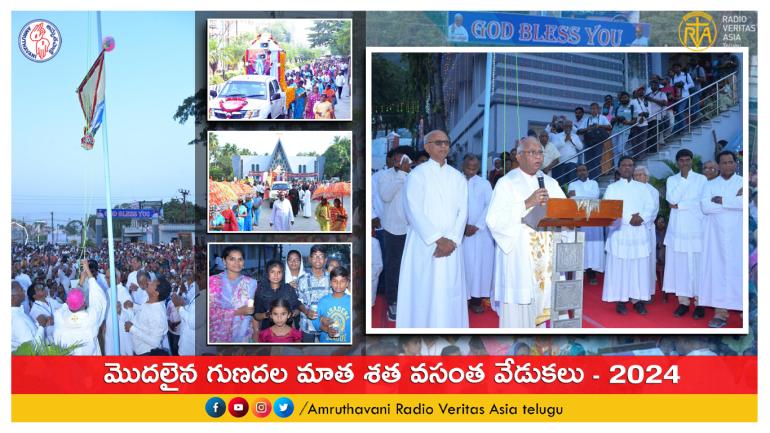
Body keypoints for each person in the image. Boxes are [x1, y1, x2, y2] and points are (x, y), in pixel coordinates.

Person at [486, 136, 567, 328]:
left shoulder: (550, 182)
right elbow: (494, 220)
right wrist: (527, 203)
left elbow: (565, 212)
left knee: (546, 305)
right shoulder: (506, 183)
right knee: (519, 316)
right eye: (532, 152)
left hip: (546, 255)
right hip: (520, 256)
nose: (538, 156)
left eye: (540, 152)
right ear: (519, 156)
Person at [396, 130, 468, 328]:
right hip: (424, 244)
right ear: (427, 147)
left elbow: (463, 211)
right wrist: (438, 238)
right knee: (423, 292)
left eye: (446, 142)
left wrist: (452, 239)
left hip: (451, 247)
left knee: (449, 292)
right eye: (438, 143)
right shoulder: (417, 175)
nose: (443, 146)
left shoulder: (458, 177)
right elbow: (413, 210)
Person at [602, 157, 656, 315]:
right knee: (620, 267)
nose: (627, 168)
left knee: (638, 267)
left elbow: (650, 206)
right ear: (619, 168)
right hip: (621, 232)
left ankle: (638, 300)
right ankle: (621, 300)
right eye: (624, 165)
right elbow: (609, 208)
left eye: (630, 165)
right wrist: (628, 219)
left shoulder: (643, 187)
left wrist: (642, 217)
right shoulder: (612, 188)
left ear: (634, 168)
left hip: (639, 232)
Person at [699, 151, 743, 328]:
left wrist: (721, 201)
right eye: (723, 163)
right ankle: (720, 312)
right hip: (715, 236)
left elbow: (744, 203)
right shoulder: (710, 184)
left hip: (739, 235)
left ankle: (743, 309)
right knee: (718, 271)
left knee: (739, 270)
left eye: (730, 162)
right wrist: (732, 203)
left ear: (735, 163)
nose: (727, 165)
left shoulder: (742, 182)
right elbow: (705, 207)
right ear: (718, 166)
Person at [663, 149, 708, 318]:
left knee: (698, 265)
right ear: (677, 163)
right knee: (681, 265)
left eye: (687, 160)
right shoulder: (672, 179)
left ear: (692, 161)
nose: (685, 163)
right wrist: (683, 179)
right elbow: (672, 199)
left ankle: (700, 301)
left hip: (697, 227)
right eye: (681, 161)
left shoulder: (701, 179)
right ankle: (683, 302)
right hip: (679, 228)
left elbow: (701, 204)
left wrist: (681, 206)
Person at [377, 147, 412, 322]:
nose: (400, 162)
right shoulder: (385, 176)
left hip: (413, 229)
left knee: (411, 267)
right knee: (393, 267)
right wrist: (401, 175)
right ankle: (393, 301)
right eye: (398, 159)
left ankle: (410, 300)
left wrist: (407, 174)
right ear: (392, 160)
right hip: (393, 229)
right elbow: (385, 196)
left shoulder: (414, 175)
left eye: (404, 159)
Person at [461, 154, 494, 314]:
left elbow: (490, 206)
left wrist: (477, 226)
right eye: (468, 167)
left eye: (474, 168)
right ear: (463, 165)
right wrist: (462, 226)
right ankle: (462, 299)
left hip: (480, 234)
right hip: (460, 232)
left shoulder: (485, 183)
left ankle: (476, 300)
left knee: (479, 267)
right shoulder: (456, 182)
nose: (471, 171)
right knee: (463, 266)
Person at [53, 259, 107, 355]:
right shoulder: (90, 318)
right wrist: (88, 273)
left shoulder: (59, 317)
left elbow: (66, 304)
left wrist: (81, 280)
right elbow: (98, 299)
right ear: (84, 303)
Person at [208, 246, 257, 343]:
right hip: (218, 335)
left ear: (243, 262)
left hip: (243, 334)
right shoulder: (212, 281)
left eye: (240, 259)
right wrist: (237, 312)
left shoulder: (251, 283)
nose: (237, 263)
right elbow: (209, 312)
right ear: (224, 261)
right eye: (232, 259)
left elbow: (251, 310)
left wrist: (256, 331)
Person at [567, 164, 604, 285]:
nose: (582, 172)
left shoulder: (594, 183)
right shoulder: (572, 185)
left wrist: (578, 197)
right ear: (576, 173)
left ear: (588, 171)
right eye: (579, 171)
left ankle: (591, 273)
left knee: (592, 248)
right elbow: (571, 200)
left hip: (592, 220)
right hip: (579, 220)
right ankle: (580, 272)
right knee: (581, 246)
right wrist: (583, 197)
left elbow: (595, 196)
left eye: (584, 170)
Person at [123, 277, 171, 355]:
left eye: (152, 284)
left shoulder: (158, 314)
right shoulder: (151, 301)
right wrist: (133, 306)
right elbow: (146, 312)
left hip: (147, 354)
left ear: (156, 293)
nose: (148, 282)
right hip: (139, 350)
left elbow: (156, 342)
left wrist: (132, 329)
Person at [252, 259, 302, 332]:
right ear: (267, 274)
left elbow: (298, 308)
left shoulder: (288, 289)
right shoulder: (261, 291)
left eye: (279, 272)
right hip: (268, 331)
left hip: (287, 330)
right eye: (272, 272)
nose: (276, 275)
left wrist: (293, 313)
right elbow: (256, 315)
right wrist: (266, 315)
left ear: (283, 274)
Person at [634, 166, 660, 299]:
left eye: (640, 175)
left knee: (647, 261)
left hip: (646, 229)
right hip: (631, 231)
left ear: (647, 177)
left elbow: (653, 212)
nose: (638, 177)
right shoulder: (631, 189)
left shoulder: (652, 191)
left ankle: (647, 291)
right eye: (636, 175)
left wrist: (640, 219)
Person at [296, 245, 328, 342]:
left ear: (325, 260)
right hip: (307, 325)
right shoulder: (301, 280)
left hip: (327, 326)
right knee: (307, 353)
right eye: (314, 256)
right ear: (310, 259)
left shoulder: (333, 279)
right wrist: (306, 311)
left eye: (321, 256)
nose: (318, 259)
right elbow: (297, 301)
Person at [313, 266, 352, 343]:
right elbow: (315, 321)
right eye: (335, 281)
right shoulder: (323, 301)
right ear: (330, 283)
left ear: (347, 283)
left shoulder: (352, 301)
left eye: (342, 281)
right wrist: (326, 329)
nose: (338, 284)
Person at [581, 102, 612, 178]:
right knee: (588, 161)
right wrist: (588, 128)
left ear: (598, 110)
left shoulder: (602, 118)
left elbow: (609, 127)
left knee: (596, 160)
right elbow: (579, 130)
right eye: (591, 109)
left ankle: (596, 178)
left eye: (595, 108)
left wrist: (599, 126)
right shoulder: (586, 119)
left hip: (598, 143)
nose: (593, 110)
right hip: (588, 142)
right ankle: (589, 178)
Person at [12, 281, 44, 351]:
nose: (24, 291)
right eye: (21, 290)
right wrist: (41, 326)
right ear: (13, 297)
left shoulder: (18, 312)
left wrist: (38, 324)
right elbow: (32, 348)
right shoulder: (16, 320)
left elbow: (29, 330)